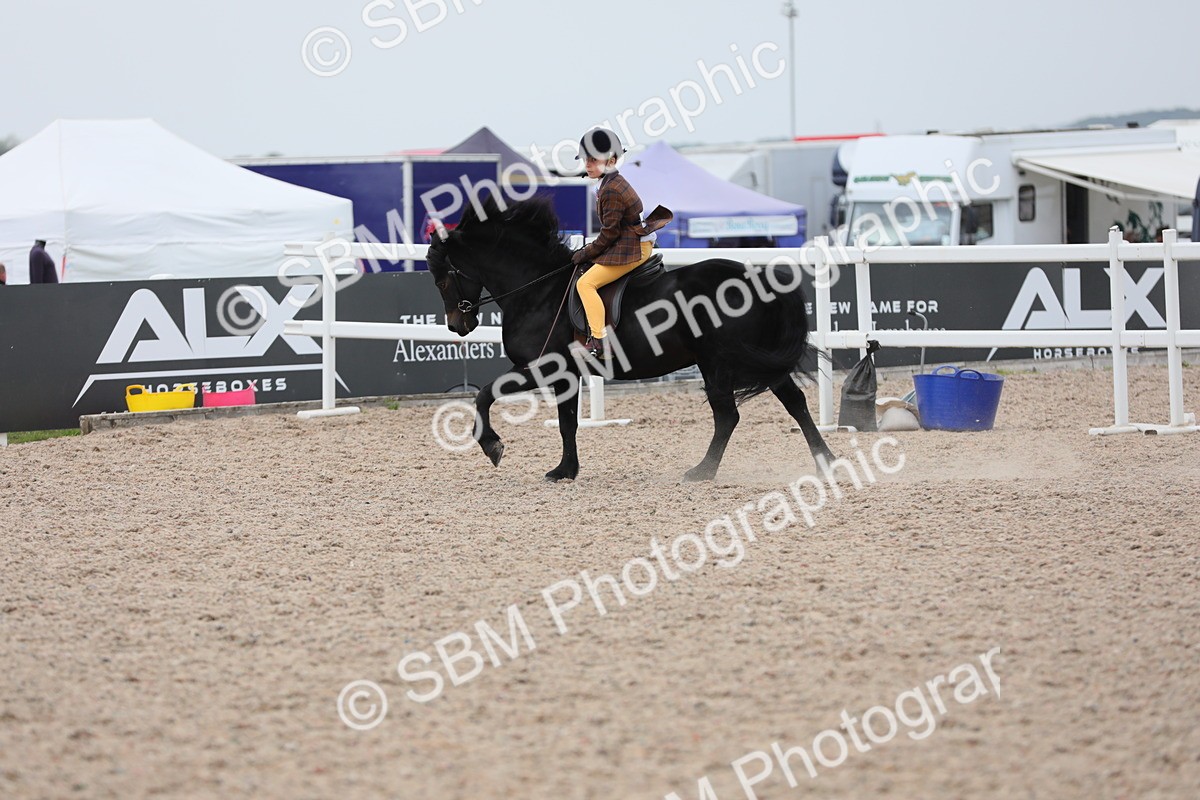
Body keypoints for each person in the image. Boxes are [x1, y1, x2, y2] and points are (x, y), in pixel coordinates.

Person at [571, 128, 670, 359]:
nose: (587, 164)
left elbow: (609, 234)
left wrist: (586, 253)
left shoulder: (611, 189)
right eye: (586, 159)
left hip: (632, 248)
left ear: (612, 160)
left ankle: (600, 342)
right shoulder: (609, 182)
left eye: (593, 160)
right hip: (629, 241)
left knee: (585, 284)